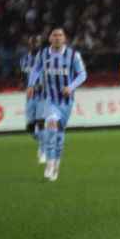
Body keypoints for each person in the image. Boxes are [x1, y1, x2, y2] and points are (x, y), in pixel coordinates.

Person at [26, 28, 87, 181]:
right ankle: (50, 164)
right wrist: (31, 85)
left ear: (65, 38)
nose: (58, 38)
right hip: (50, 100)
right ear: (50, 38)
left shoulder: (73, 55)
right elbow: (36, 69)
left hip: (66, 102)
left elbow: (82, 74)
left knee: (59, 136)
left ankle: (56, 165)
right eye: (55, 35)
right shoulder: (43, 54)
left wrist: (71, 87)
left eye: (60, 35)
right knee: (51, 128)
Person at [20, 34, 45, 164]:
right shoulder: (24, 59)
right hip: (30, 97)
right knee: (30, 126)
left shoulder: (46, 59)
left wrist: (42, 86)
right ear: (29, 45)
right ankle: (43, 140)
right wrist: (23, 85)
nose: (35, 45)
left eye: (37, 43)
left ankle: (42, 150)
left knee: (41, 123)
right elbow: (23, 75)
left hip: (42, 96)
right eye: (33, 43)